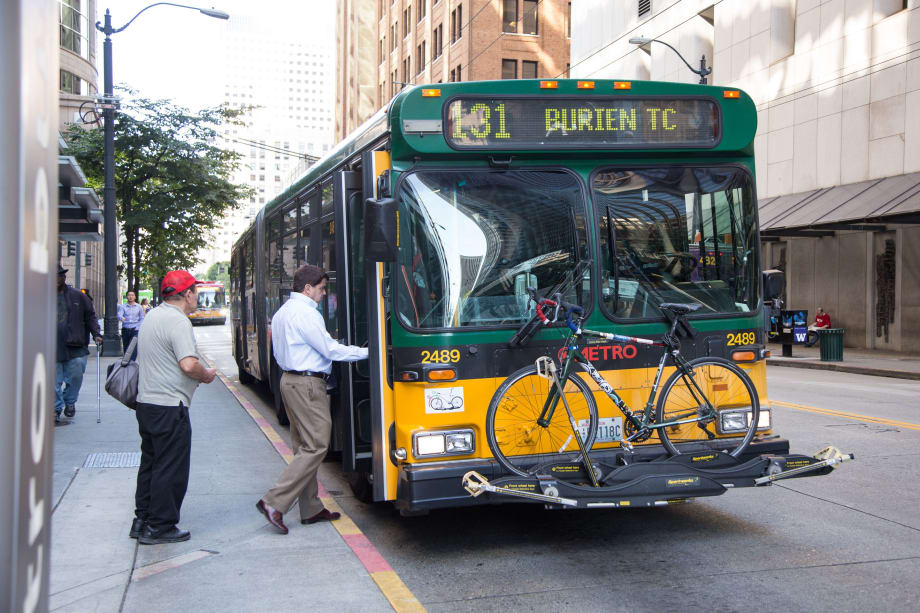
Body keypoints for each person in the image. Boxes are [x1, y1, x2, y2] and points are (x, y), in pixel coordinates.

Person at [256, 264, 368, 534]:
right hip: (307, 384)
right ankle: (273, 502)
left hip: (289, 381)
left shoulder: (283, 312)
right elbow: (330, 350)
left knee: (303, 447)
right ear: (307, 288)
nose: (323, 293)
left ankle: (311, 508)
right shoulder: (306, 314)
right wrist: (368, 352)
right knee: (317, 445)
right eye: (321, 288)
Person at [131, 270, 217, 545]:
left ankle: (142, 520)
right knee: (170, 468)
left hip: (147, 403)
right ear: (187, 294)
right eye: (195, 292)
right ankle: (161, 526)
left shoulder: (153, 316)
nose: (197, 298)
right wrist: (206, 375)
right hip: (170, 405)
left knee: (151, 464)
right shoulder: (178, 321)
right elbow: (188, 364)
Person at [55, 264, 103, 425]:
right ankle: (55, 408)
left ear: (64, 277)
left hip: (75, 345)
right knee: (53, 381)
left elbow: (90, 316)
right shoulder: (41, 296)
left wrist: (96, 333)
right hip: (51, 346)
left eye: (59, 276)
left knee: (75, 377)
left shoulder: (78, 296)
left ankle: (70, 401)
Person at [117, 290, 144, 360]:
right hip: (125, 329)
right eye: (129, 295)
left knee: (134, 347)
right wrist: (121, 318)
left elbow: (141, 318)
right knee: (126, 347)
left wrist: (138, 327)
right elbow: (119, 314)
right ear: (126, 297)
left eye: (132, 295)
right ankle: (126, 361)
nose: (130, 297)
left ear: (135, 297)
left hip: (135, 329)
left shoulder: (139, 307)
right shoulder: (123, 307)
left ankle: (132, 361)